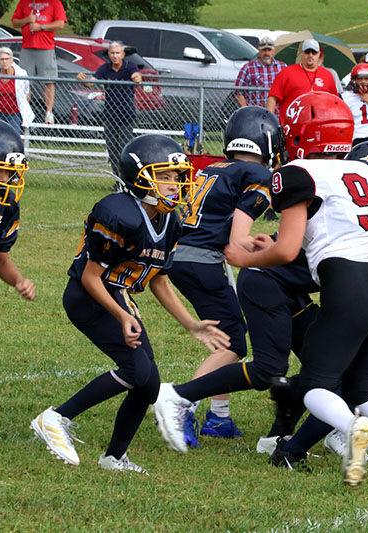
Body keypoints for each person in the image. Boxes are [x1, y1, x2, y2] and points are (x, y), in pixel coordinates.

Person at [155, 92, 368, 494]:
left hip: (348, 281)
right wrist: (269, 245)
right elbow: (328, 231)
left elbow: (288, 250)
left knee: (318, 383)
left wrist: (245, 257)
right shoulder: (362, 169)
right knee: (366, 390)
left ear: (299, 133)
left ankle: (349, 428)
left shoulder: (296, 172)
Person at [30, 134, 229, 473]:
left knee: (148, 384)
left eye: (177, 176)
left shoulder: (170, 221)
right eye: (165, 176)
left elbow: (158, 279)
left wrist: (191, 324)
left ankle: (114, 457)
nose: (175, 183)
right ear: (140, 177)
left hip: (118, 298)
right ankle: (56, 417)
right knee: (136, 370)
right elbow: (91, 277)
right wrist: (122, 316)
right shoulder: (118, 212)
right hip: (87, 297)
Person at [167, 106, 282, 446]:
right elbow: (237, 240)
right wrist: (274, 248)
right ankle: (181, 406)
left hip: (184, 255)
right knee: (233, 342)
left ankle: (218, 418)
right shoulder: (256, 174)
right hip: (203, 260)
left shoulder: (216, 167)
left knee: (225, 335)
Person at [0, 117, 35, 300]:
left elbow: (1, 259)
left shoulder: (7, 205)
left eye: (9, 172)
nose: (4, 179)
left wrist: (18, 281)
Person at [76, 42, 142, 179]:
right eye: (112, 53)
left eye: (118, 53)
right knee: (112, 149)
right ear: (109, 54)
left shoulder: (130, 66)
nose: (115, 56)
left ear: (123, 55)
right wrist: (83, 79)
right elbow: (91, 82)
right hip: (109, 114)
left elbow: (137, 77)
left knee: (124, 148)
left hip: (126, 114)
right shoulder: (105, 68)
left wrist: (136, 77)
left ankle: (126, 179)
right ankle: (117, 178)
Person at [11, 0, 66, 124]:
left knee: (49, 80)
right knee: (25, 81)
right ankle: (24, 112)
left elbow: (60, 24)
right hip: (27, 47)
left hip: (46, 47)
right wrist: (27, 20)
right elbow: (14, 22)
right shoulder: (24, 2)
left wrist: (41, 27)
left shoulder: (54, 2)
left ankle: (49, 113)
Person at [266, 39, 338, 121]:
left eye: (314, 52)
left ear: (319, 54)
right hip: (292, 124)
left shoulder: (327, 75)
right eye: (307, 52)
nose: (310, 55)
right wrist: (268, 121)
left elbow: (334, 103)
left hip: (319, 124)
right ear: (302, 53)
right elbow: (272, 98)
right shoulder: (286, 72)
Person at [0, 47, 34, 130]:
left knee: (13, 134)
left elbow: (26, 91)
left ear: (11, 60)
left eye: (7, 59)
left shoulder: (21, 73)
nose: (4, 62)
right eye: (1, 59)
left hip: (14, 113)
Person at [234, 36, 287, 110]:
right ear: (259, 50)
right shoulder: (248, 68)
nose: (266, 53)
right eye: (264, 50)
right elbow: (238, 92)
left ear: (274, 51)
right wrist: (246, 110)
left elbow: (289, 90)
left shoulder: (283, 67)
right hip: (255, 113)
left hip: (277, 114)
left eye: (269, 50)